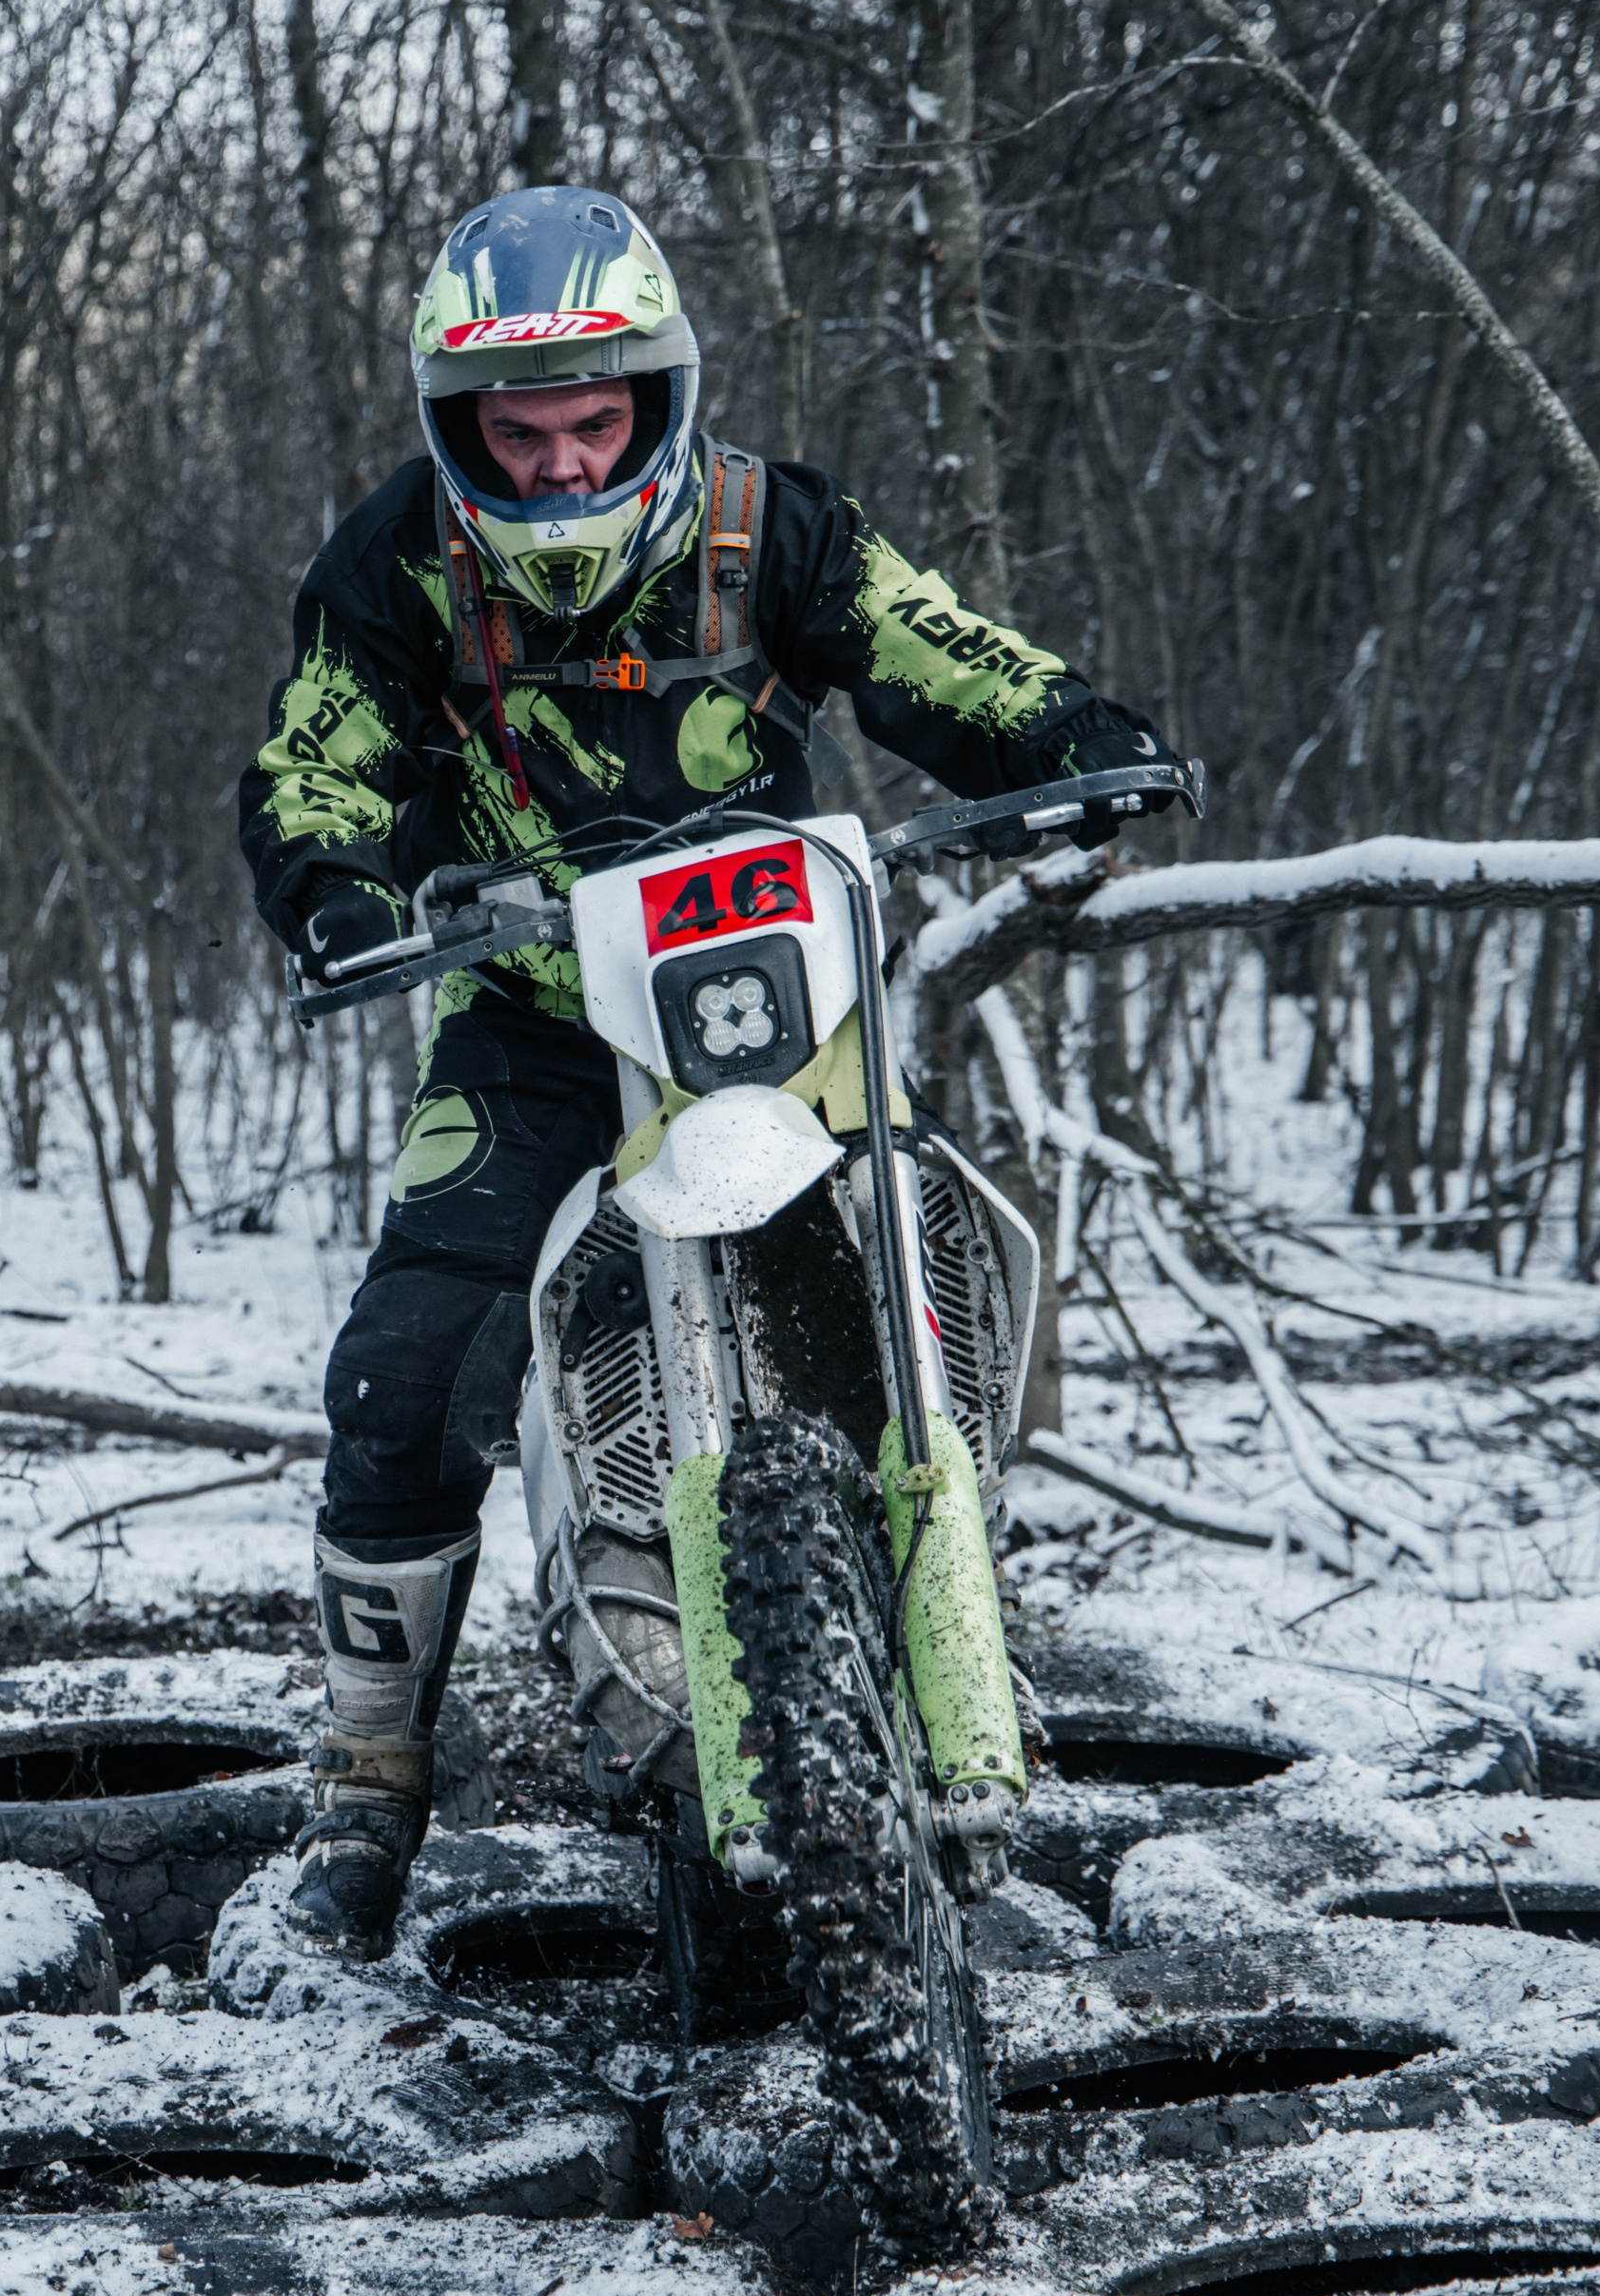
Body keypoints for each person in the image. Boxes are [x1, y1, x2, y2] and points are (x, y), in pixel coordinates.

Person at [241, 184, 1173, 1945]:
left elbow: (931, 645)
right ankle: (369, 1774)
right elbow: (318, 763)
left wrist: (1075, 733)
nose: (562, 470)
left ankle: (943, 1651)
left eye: (596, 423)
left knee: (905, 1306)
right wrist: (329, 889)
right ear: (459, 429)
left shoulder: (767, 525)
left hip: (776, 1011)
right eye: (517, 436)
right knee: (401, 1366)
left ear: (657, 396)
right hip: (525, 1017)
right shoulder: (393, 563)